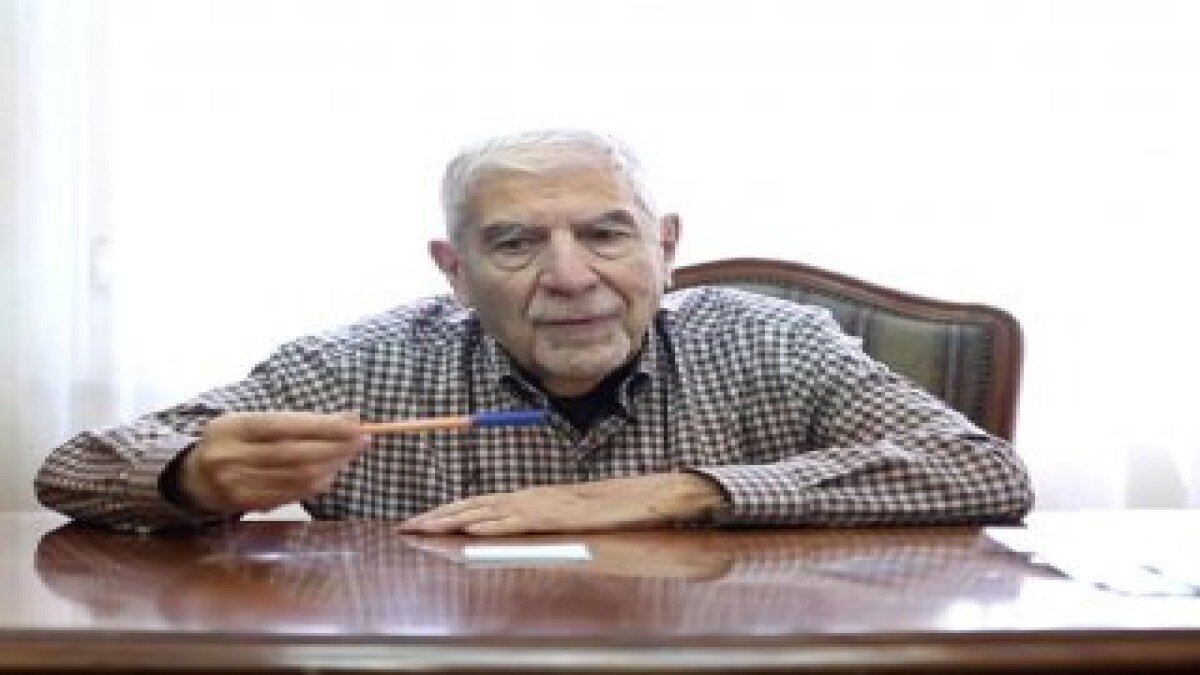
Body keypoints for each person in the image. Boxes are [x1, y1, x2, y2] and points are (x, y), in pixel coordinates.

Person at [34, 129, 1034, 534]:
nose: (570, 277)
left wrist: (681, 490)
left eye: (606, 234)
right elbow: (75, 469)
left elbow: (984, 470)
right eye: (515, 243)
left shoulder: (773, 344)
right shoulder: (358, 365)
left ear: (665, 249)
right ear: (454, 270)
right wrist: (190, 477)